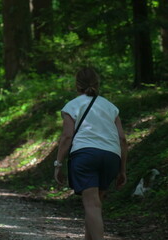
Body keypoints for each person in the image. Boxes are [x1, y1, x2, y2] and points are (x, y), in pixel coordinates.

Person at [54, 67, 128, 240]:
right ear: (97, 83)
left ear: (76, 85)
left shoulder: (72, 106)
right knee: (94, 205)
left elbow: (67, 136)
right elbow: (122, 139)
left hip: (85, 156)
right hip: (111, 157)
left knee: (92, 205)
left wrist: (57, 164)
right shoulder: (111, 107)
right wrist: (122, 169)